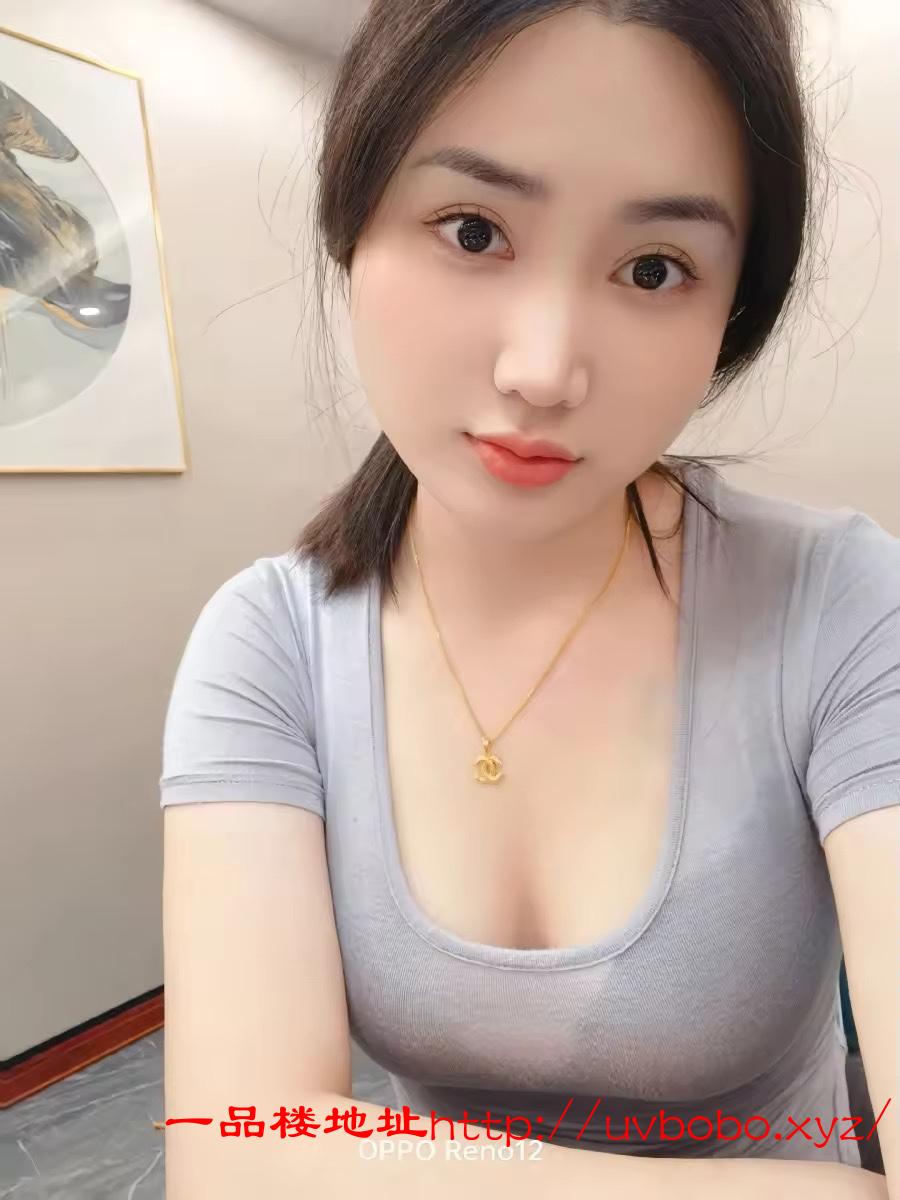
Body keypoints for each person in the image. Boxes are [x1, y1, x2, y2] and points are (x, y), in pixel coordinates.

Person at [159, 3, 899, 1197]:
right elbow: (235, 1155)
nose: (544, 369)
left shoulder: (843, 607)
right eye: (474, 230)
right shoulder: (272, 644)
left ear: (730, 313)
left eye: (654, 268)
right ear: (353, 223)